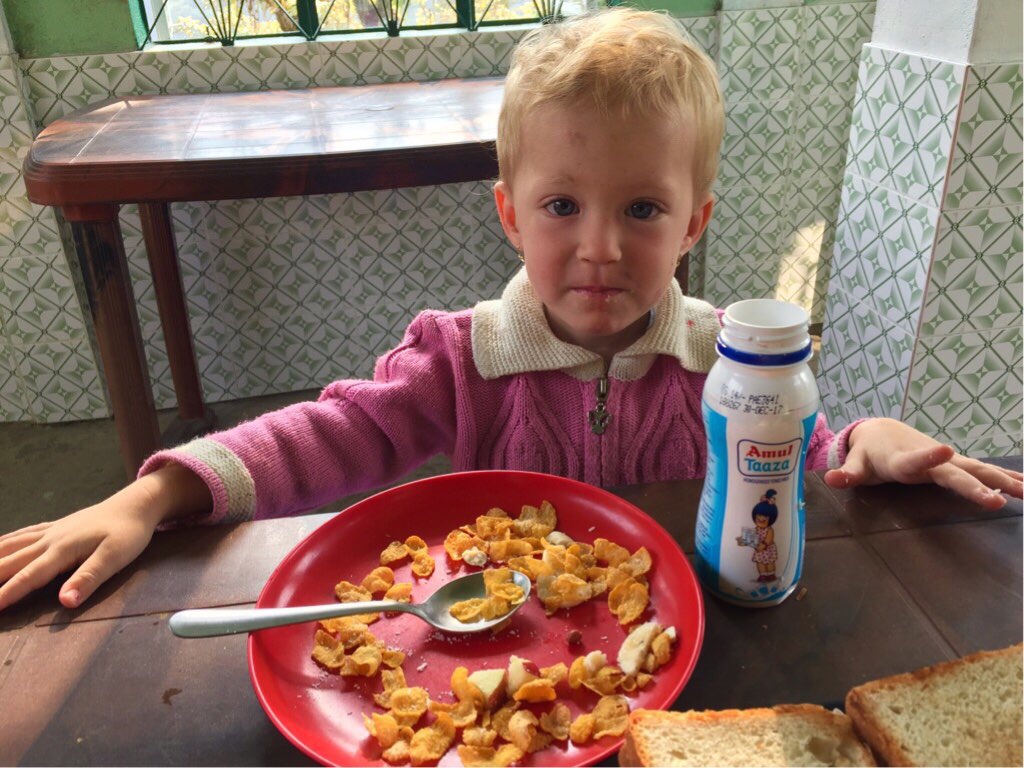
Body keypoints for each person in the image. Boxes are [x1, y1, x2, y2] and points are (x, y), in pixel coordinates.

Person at [0, 8, 1019, 613]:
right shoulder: (461, 356)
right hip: (499, 656)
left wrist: (868, 442)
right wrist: (153, 497)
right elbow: (327, 435)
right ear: (507, 212)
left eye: (643, 209)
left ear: (695, 221)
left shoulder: (726, 364)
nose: (599, 247)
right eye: (562, 206)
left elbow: (799, 464)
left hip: (684, 651)